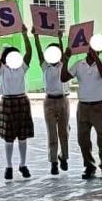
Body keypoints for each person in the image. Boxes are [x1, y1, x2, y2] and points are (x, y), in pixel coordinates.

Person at [62, 40, 102, 179]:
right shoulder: (79, 64)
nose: (92, 51)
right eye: (90, 49)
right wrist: (66, 60)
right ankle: (89, 166)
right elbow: (64, 78)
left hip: (100, 106)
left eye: (96, 50)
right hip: (83, 106)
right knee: (83, 138)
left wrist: (97, 59)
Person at [0, 27, 34, 180]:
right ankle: (8, 166)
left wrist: (24, 34)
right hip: (8, 102)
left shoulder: (22, 67)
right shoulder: (2, 70)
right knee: (9, 138)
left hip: (22, 101)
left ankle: (23, 165)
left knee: (23, 137)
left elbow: (29, 53)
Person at [36, 29, 69, 176]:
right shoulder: (45, 66)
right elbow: (38, 51)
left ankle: (64, 157)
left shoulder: (63, 65)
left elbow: (62, 52)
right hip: (49, 101)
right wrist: (36, 36)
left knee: (64, 132)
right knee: (52, 133)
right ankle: (54, 162)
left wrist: (60, 39)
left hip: (63, 100)